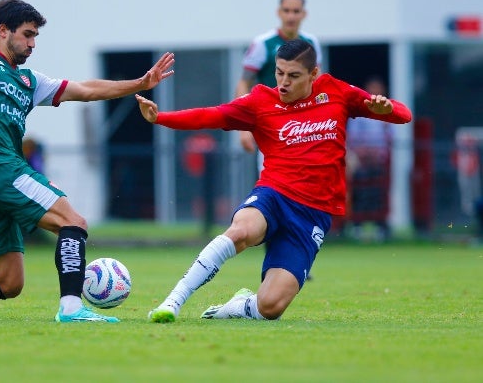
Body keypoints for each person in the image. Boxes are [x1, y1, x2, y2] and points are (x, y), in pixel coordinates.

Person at [0, 0, 175, 323]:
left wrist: (139, 84)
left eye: (35, 37)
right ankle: (71, 308)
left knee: (7, 283)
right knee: (74, 222)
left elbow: (85, 89)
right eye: (27, 35)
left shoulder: (30, 81)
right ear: (3, 30)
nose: (32, 44)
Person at [136, 39, 411, 323]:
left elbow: (404, 115)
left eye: (293, 76)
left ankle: (237, 306)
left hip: (312, 214)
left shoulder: (336, 92)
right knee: (242, 231)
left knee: (271, 307)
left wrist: (387, 110)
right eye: (279, 73)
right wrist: (160, 118)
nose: (283, 82)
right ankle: (172, 302)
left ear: (313, 74)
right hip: (274, 194)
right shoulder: (260, 101)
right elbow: (212, 115)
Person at [235, 0, 322, 155]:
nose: (291, 16)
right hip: (271, 123)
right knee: (272, 174)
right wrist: (243, 126)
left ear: (304, 14)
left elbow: (318, 83)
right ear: (279, 13)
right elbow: (244, 83)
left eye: (296, 11)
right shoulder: (263, 43)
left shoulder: (311, 43)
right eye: (286, 10)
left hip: (305, 123)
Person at [345, 77, 393, 241]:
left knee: (379, 192)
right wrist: (363, 152)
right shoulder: (359, 113)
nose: (376, 94)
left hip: (379, 162)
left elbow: (392, 137)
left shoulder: (388, 111)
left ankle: (381, 226)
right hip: (361, 160)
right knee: (359, 190)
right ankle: (357, 225)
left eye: (378, 90)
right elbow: (351, 137)